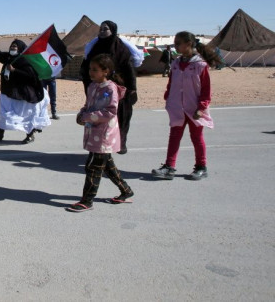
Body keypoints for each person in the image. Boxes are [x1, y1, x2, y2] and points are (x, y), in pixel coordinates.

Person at [151, 31, 223, 181]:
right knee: (174, 136)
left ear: (188, 44)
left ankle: (201, 167)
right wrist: (168, 98)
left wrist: (201, 107)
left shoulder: (200, 65)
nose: (175, 46)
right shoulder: (176, 63)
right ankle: (169, 167)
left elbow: (205, 89)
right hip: (177, 107)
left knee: (196, 137)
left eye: (178, 43)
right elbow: (171, 84)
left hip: (194, 108)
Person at [67, 54, 134, 212]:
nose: (91, 72)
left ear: (106, 71)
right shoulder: (92, 86)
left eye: (95, 70)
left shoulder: (110, 88)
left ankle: (87, 200)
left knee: (93, 168)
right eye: (90, 69)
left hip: (104, 135)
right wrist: (81, 114)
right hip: (93, 132)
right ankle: (126, 191)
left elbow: (110, 111)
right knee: (108, 167)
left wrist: (87, 116)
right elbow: (88, 105)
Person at [80, 21, 137, 154]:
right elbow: (85, 68)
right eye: (100, 29)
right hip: (99, 89)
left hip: (118, 90)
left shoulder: (121, 49)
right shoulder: (94, 48)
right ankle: (99, 146)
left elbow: (130, 69)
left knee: (121, 117)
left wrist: (132, 88)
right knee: (99, 116)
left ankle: (120, 143)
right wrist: (89, 85)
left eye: (105, 29)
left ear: (113, 30)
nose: (101, 31)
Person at [0, 34, 50, 144]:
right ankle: (0, 133)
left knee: (25, 115)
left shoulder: (25, 61)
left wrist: (15, 70)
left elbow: (31, 76)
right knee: (4, 112)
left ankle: (30, 134)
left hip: (22, 94)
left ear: (20, 49)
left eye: (15, 48)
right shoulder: (9, 58)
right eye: (11, 47)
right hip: (8, 91)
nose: (12, 49)